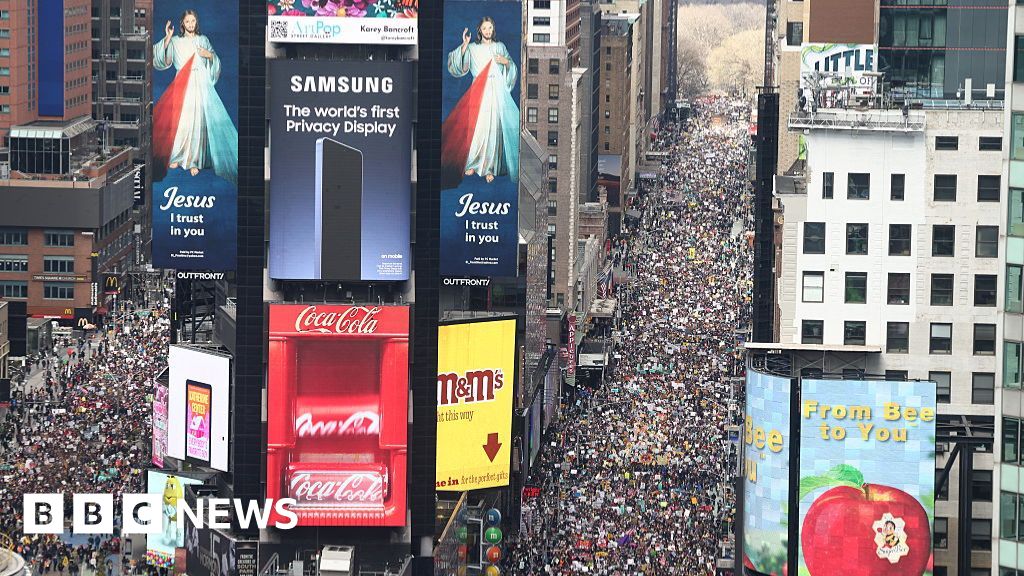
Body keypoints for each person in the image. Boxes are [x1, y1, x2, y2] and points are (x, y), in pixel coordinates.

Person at [153, 9, 238, 183]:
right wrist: (168, 37)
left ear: (196, 23)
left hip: (200, 83)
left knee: (198, 121)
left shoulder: (203, 40)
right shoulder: (176, 41)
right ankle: (178, 156)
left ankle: (194, 160)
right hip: (182, 84)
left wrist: (210, 56)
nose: (191, 24)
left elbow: (215, 62)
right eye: (188, 21)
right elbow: (164, 60)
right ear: (182, 23)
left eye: (193, 21)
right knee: (182, 120)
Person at [442, 17, 519, 187]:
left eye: (490, 28)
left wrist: (506, 62)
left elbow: (511, 67)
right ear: (480, 30)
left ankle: (490, 167)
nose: (488, 31)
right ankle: (473, 163)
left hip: (496, 91)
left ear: (493, 29)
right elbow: (457, 65)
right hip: (479, 91)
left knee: (493, 129)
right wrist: (464, 44)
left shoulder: (500, 47)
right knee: (477, 127)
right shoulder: (472, 48)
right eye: (485, 28)